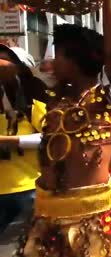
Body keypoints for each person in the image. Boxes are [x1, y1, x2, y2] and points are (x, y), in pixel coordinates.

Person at [10, 1, 111, 257]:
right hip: (47, 219)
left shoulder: (105, 96)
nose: (51, 61)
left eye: (58, 55)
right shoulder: (54, 97)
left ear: (78, 58)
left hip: (89, 220)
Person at [0, 45, 47, 234]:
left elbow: (50, 138)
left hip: (29, 189)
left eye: (5, 62)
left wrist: (8, 140)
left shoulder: (34, 101)